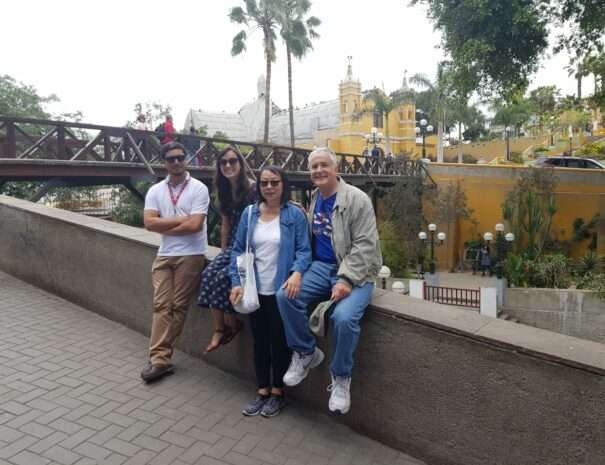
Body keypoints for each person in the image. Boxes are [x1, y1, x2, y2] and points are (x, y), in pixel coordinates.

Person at [276, 147, 382, 415]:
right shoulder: (315, 197)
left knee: (344, 319)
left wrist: (346, 278)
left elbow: (365, 244)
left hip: (357, 272)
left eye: (324, 165)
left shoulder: (357, 199)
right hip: (322, 267)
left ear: (336, 169)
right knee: (285, 296)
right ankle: (306, 352)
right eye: (314, 167)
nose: (319, 171)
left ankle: (341, 378)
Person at [229, 166, 311, 418]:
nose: (269, 187)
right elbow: (237, 251)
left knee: (279, 341)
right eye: (264, 183)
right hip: (255, 289)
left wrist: (297, 272)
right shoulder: (250, 213)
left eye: (274, 182)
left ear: (283, 184)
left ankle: (278, 393)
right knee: (260, 341)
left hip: (280, 290)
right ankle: (262, 390)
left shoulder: (294, 215)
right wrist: (236, 281)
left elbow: (304, 250)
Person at [140, 142, 209, 383]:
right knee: (161, 305)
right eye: (171, 159)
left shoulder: (199, 188)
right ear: (164, 163)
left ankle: (160, 360)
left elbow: (195, 226)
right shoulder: (156, 191)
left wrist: (165, 224)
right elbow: (148, 223)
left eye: (180, 157)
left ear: (186, 159)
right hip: (165, 254)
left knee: (177, 306)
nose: (177, 162)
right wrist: (181, 220)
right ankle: (160, 356)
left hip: (191, 255)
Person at [198, 146, 256, 353]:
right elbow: (225, 223)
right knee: (208, 274)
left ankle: (231, 325)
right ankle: (220, 328)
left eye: (233, 161)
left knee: (224, 277)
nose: (228, 165)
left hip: (250, 247)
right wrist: (223, 251)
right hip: (232, 246)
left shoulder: (253, 189)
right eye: (224, 162)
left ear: (240, 164)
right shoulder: (223, 191)